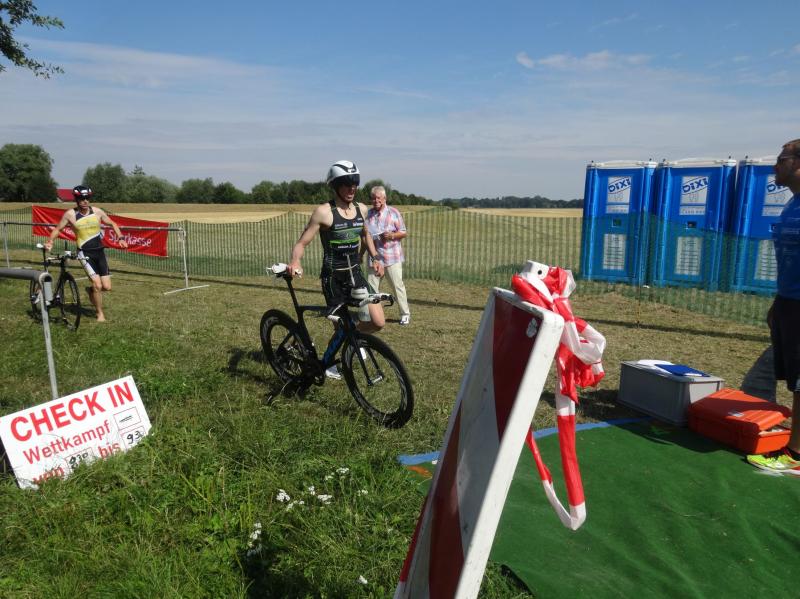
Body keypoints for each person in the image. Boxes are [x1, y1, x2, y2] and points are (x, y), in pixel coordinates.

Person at [287, 161, 385, 379]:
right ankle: (328, 363)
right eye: (346, 183)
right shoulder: (324, 212)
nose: (352, 188)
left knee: (378, 321)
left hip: (355, 274)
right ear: (335, 185)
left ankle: (352, 338)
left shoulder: (361, 209)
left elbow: (366, 235)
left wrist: (375, 257)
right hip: (333, 277)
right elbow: (302, 242)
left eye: (355, 183)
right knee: (341, 324)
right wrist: (296, 261)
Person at [747, 140, 800, 473]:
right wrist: (779, 303)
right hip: (789, 302)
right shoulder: (792, 203)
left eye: (782, 159)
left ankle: (795, 454)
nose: (774, 166)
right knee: (792, 379)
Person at [44, 185, 128, 322]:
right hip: (84, 253)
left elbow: (112, 223)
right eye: (82, 198)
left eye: (87, 198)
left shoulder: (97, 211)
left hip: (99, 252)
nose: (85, 201)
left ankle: (91, 291)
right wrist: (50, 241)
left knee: (107, 287)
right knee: (98, 285)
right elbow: (58, 229)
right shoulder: (70, 214)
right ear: (76, 199)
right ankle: (99, 313)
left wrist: (121, 238)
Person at [364, 185, 411, 325]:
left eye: (378, 198)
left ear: (384, 198)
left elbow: (403, 232)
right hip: (374, 258)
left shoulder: (393, 212)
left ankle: (405, 314)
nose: (376, 201)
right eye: (373, 198)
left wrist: (392, 235)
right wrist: (362, 254)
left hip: (392, 257)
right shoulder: (368, 214)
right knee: (371, 288)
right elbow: (366, 236)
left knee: (397, 286)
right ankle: (371, 315)